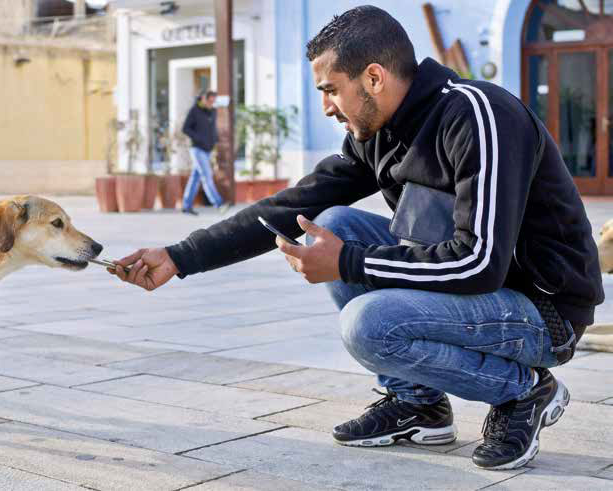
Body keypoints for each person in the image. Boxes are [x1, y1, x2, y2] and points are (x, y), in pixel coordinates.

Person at [109, 5, 603, 471]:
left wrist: (349, 264)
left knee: (369, 325)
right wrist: (179, 257)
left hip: (542, 311)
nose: (326, 106)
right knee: (337, 223)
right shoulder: (378, 133)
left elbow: (479, 263)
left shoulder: (479, 116)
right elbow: (290, 206)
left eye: (331, 89)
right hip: (479, 294)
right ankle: (420, 406)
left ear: (373, 77)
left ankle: (522, 390)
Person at [180, 90, 230, 215]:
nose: (211, 104)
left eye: (214, 101)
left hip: (207, 150)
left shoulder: (212, 111)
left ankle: (186, 206)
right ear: (203, 99)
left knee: (195, 178)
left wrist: (214, 141)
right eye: (210, 101)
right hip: (197, 149)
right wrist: (199, 138)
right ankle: (219, 203)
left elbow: (212, 129)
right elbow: (185, 128)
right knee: (206, 175)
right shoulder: (194, 111)